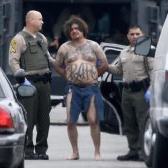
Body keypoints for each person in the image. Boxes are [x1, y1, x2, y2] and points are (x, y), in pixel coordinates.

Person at [54, 16, 108, 161]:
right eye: (71, 29)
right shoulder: (65, 47)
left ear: (83, 29)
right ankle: (75, 152)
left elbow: (104, 63)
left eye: (77, 28)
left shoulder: (94, 46)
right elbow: (57, 65)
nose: (74, 31)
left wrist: (94, 74)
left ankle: (97, 152)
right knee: (71, 121)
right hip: (73, 88)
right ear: (68, 32)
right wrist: (67, 75)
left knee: (93, 120)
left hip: (91, 88)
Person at [8, 10, 54, 160]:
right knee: (29, 117)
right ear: (31, 20)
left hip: (44, 83)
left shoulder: (42, 38)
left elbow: (48, 58)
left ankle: (41, 149)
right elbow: (13, 61)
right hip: (29, 84)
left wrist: (63, 65)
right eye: (40, 19)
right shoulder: (18, 40)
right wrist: (21, 78)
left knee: (44, 117)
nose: (42, 22)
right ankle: (27, 149)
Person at [108, 25, 154, 161]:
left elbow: (153, 71)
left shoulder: (147, 49)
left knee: (142, 122)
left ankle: (143, 151)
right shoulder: (124, 52)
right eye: (132, 34)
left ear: (142, 35)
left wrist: (151, 89)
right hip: (126, 91)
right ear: (127, 36)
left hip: (141, 91)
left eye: (137, 34)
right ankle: (133, 150)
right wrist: (105, 66)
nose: (134, 37)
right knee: (129, 122)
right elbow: (118, 70)